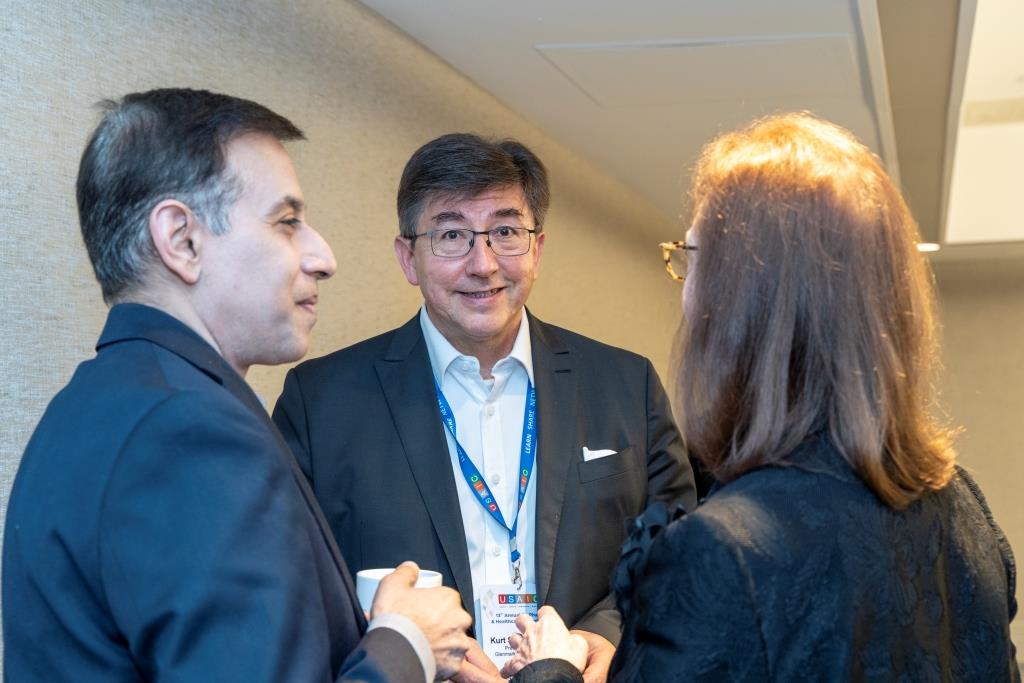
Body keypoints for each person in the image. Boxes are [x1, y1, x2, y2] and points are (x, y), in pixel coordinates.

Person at [503, 112, 1020, 681]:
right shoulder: (962, 506)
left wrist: (551, 669)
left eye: (692, 257)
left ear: (743, 301)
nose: (684, 291)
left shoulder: (722, 552)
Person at [2, 88, 473, 682]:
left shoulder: (93, 404)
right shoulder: (189, 432)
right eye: (287, 222)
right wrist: (407, 645)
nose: (323, 257)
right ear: (182, 240)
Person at [272, 133, 697, 682]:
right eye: (452, 235)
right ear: (408, 257)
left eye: (506, 232)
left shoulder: (625, 384)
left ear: (537, 249)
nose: (484, 263)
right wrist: (416, 649)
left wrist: (601, 637)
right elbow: (294, 581)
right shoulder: (321, 401)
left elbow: (676, 550)